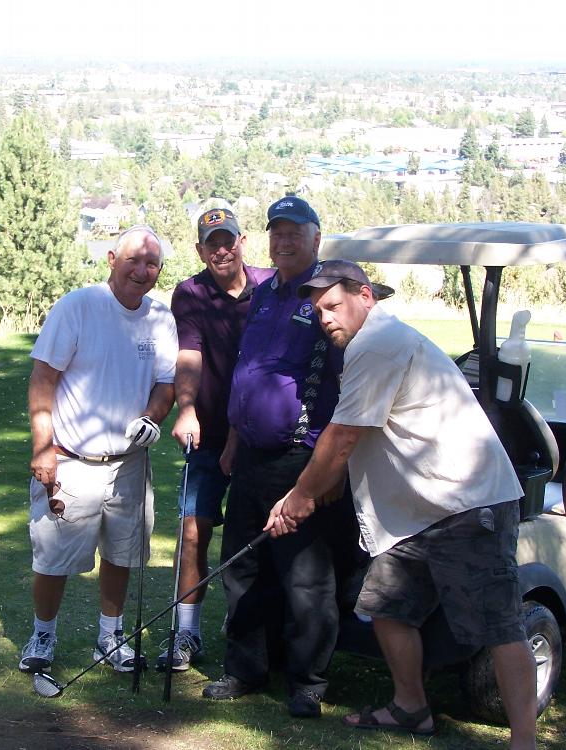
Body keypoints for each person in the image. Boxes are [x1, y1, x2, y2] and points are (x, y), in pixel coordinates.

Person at [264, 260, 538, 749]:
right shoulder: (370, 345)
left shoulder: (377, 343)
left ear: (365, 296)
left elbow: (345, 434)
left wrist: (299, 496)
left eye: (333, 305)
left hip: (466, 505)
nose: (325, 318)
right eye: (318, 310)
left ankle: (524, 741)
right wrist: (320, 485)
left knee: (498, 625)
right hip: (416, 512)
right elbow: (368, 431)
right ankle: (411, 708)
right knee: (386, 607)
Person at [202, 196, 358, 719]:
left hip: (302, 460)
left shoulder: (326, 297)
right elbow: (250, 368)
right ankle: (245, 668)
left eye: (295, 231)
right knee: (242, 568)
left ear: (317, 237)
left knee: (305, 577)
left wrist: (329, 469)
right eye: (277, 231)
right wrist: (230, 439)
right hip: (248, 456)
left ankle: (308, 681)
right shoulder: (265, 292)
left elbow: (348, 384)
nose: (284, 240)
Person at [19, 225, 178, 675]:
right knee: (53, 557)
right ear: (112, 258)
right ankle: (43, 636)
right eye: (133, 260)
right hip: (71, 459)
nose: (142, 270)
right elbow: (42, 378)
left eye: (151, 264)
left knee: (123, 553)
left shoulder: (160, 319)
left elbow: (165, 385)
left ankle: (110, 637)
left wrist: (152, 418)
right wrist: (43, 447)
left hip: (128, 463)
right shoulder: (78, 307)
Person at [155, 207, 273, 672]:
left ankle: (260, 629)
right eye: (212, 242)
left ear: (243, 241)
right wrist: (186, 410)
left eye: (228, 240)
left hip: (261, 435)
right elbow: (189, 355)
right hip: (206, 436)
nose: (221, 249)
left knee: (262, 538)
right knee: (191, 532)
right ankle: (187, 632)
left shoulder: (270, 287)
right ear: (200, 249)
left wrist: (239, 438)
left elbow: (266, 366)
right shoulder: (189, 293)